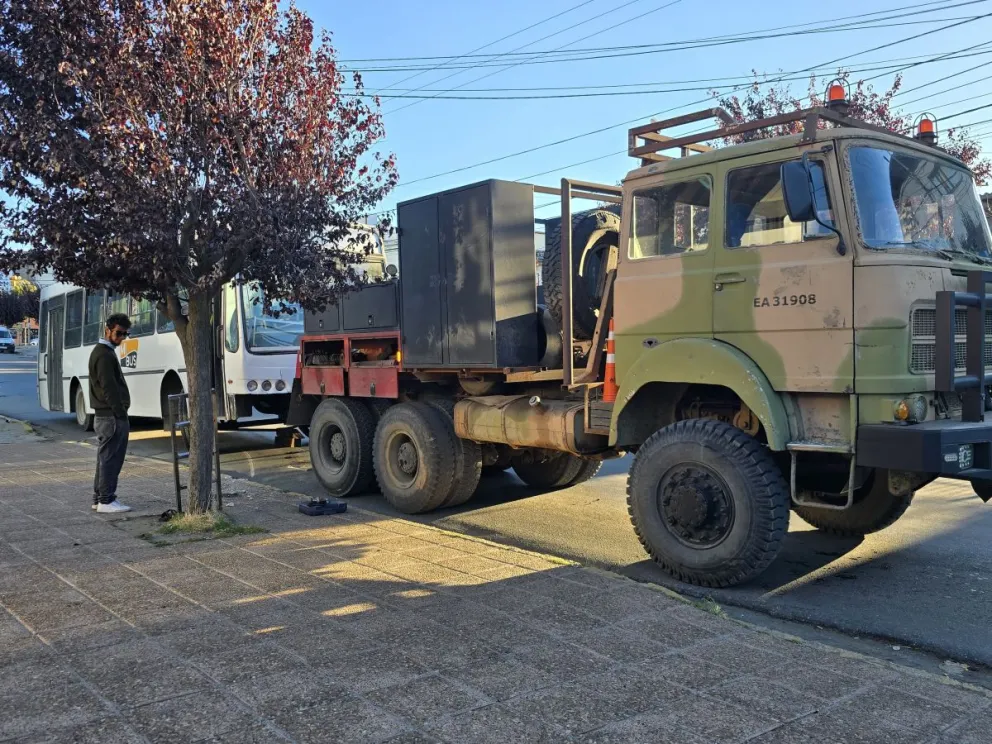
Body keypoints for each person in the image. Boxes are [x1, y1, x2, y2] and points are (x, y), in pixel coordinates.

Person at [89, 313, 133, 513]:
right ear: (107, 330)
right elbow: (109, 388)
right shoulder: (104, 354)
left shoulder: (103, 352)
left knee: (104, 457)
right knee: (111, 458)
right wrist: (120, 412)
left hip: (106, 414)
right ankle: (106, 500)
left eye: (125, 334)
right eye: (118, 333)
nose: (122, 338)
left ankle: (100, 498)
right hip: (110, 415)